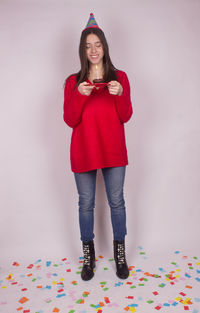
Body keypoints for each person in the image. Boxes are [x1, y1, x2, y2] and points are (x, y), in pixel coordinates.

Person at [63, 13, 133, 281]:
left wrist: (120, 95)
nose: (93, 50)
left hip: (114, 150)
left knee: (117, 202)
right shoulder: (73, 82)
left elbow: (125, 116)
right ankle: (88, 255)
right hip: (84, 151)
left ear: (105, 47)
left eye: (97, 44)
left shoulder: (121, 78)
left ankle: (120, 253)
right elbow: (70, 119)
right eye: (88, 46)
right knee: (86, 204)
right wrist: (79, 96)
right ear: (83, 50)